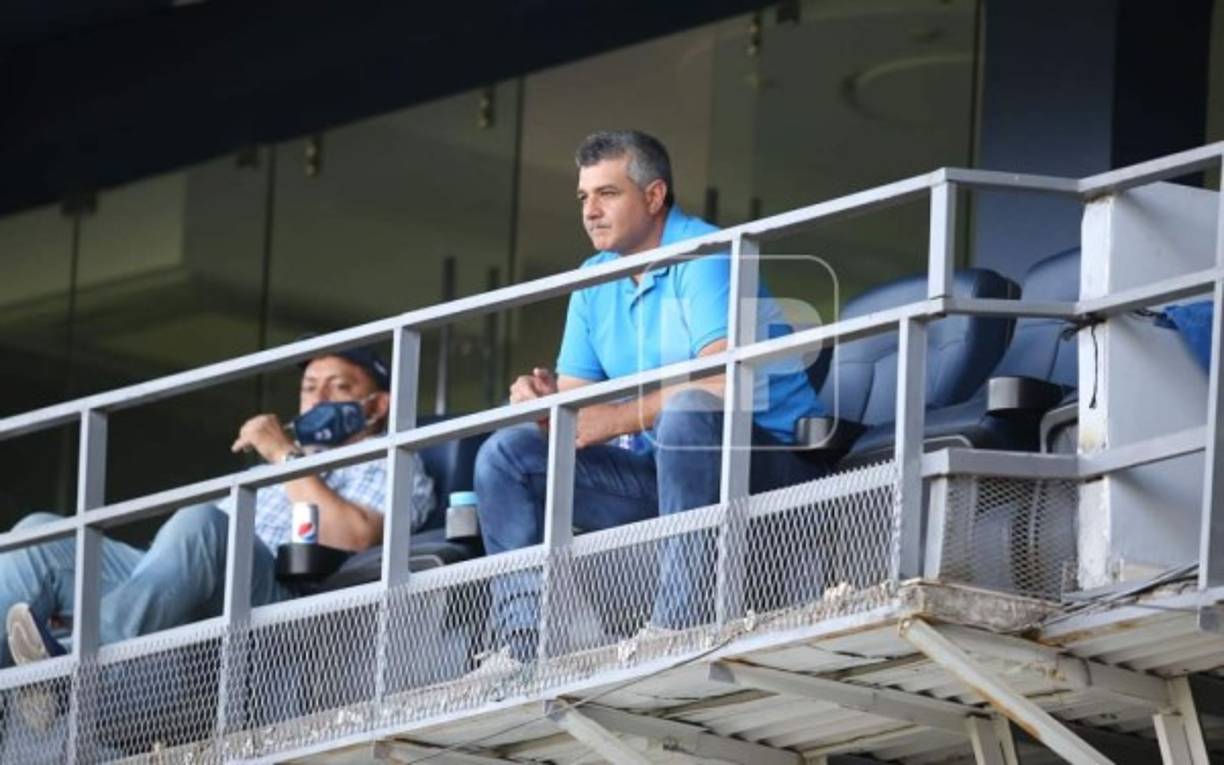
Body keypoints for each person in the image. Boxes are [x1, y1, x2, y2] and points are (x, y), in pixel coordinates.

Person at [472, 130, 827, 672]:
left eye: (607, 194)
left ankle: (678, 626)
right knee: (508, 453)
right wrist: (546, 406)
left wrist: (613, 418)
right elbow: (577, 407)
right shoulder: (593, 278)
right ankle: (525, 643)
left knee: (686, 412)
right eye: (583, 198)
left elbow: (722, 385)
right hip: (665, 475)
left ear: (655, 196)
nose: (590, 211)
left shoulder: (705, 253)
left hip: (766, 471)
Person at [0, 346, 435, 668]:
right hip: (185, 588)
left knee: (204, 522)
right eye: (308, 388)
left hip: (280, 607)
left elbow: (353, 537)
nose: (317, 399)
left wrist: (285, 456)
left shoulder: (390, 457)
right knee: (41, 535)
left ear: (375, 406)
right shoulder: (279, 466)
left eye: (338, 387)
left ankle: (77, 670)